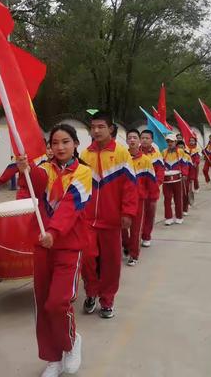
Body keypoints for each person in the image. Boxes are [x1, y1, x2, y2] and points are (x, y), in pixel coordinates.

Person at [16, 124, 92, 377]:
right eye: (55, 143)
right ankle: (52, 358)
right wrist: (24, 169)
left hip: (68, 247)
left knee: (58, 303)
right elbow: (33, 185)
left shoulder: (83, 173)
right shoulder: (44, 170)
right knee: (42, 304)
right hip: (42, 247)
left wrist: (54, 232)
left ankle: (71, 343)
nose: (60, 147)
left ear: (75, 145)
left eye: (65, 142)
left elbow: (71, 206)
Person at [80, 112, 138, 319]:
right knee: (86, 258)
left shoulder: (122, 153)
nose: (96, 131)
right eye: (93, 127)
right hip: (87, 220)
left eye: (101, 127)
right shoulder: (84, 155)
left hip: (112, 220)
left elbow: (131, 186)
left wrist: (128, 212)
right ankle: (91, 293)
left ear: (111, 129)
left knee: (111, 263)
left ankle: (107, 300)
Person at [122, 130, 159, 266]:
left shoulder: (146, 161)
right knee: (122, 228)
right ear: (126, 140)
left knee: (136, 228)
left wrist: (153, 198)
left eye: (135, 138)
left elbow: (152, 183)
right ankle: (126, 244)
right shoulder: (121, 158)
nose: (132, 140)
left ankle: (134, 254)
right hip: (122, 200)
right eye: (129, 137)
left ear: (139, 141)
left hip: (139, 200)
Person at [140, 129, 165, 247]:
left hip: (152, 191)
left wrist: (156, 184)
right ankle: (137, 235)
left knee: (149, 214)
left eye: (147, 138)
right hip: (138, 190)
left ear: (152, 140)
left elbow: (160, 172)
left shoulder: (156, 154)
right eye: (143, 138)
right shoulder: (134, 152)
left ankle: (146, 236)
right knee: (138, 214)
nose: (144, 140)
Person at [162, 134, 189, 225]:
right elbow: (161, 165)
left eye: (171, 141)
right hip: (166, 179)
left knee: (178, 198)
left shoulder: (181, 152)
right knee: (167, 199)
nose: (170, 143)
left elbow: (185, 164)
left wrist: (185, 174)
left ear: (175, 142)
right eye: (168, 141)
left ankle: (179, 216)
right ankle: (168, 217)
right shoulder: (163, 152)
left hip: (178, 179)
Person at [176, 140, 193, 215]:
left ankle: (185, 209)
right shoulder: (174, 156)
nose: (180, 149)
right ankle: (179, 209)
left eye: (182, 147)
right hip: (176, 179)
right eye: (178, 147)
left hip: (186, 179)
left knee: (185, 194)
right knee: (178, 195)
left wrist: (191, 178)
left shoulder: (187, 156)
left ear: (184, 148)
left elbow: (191, 168)